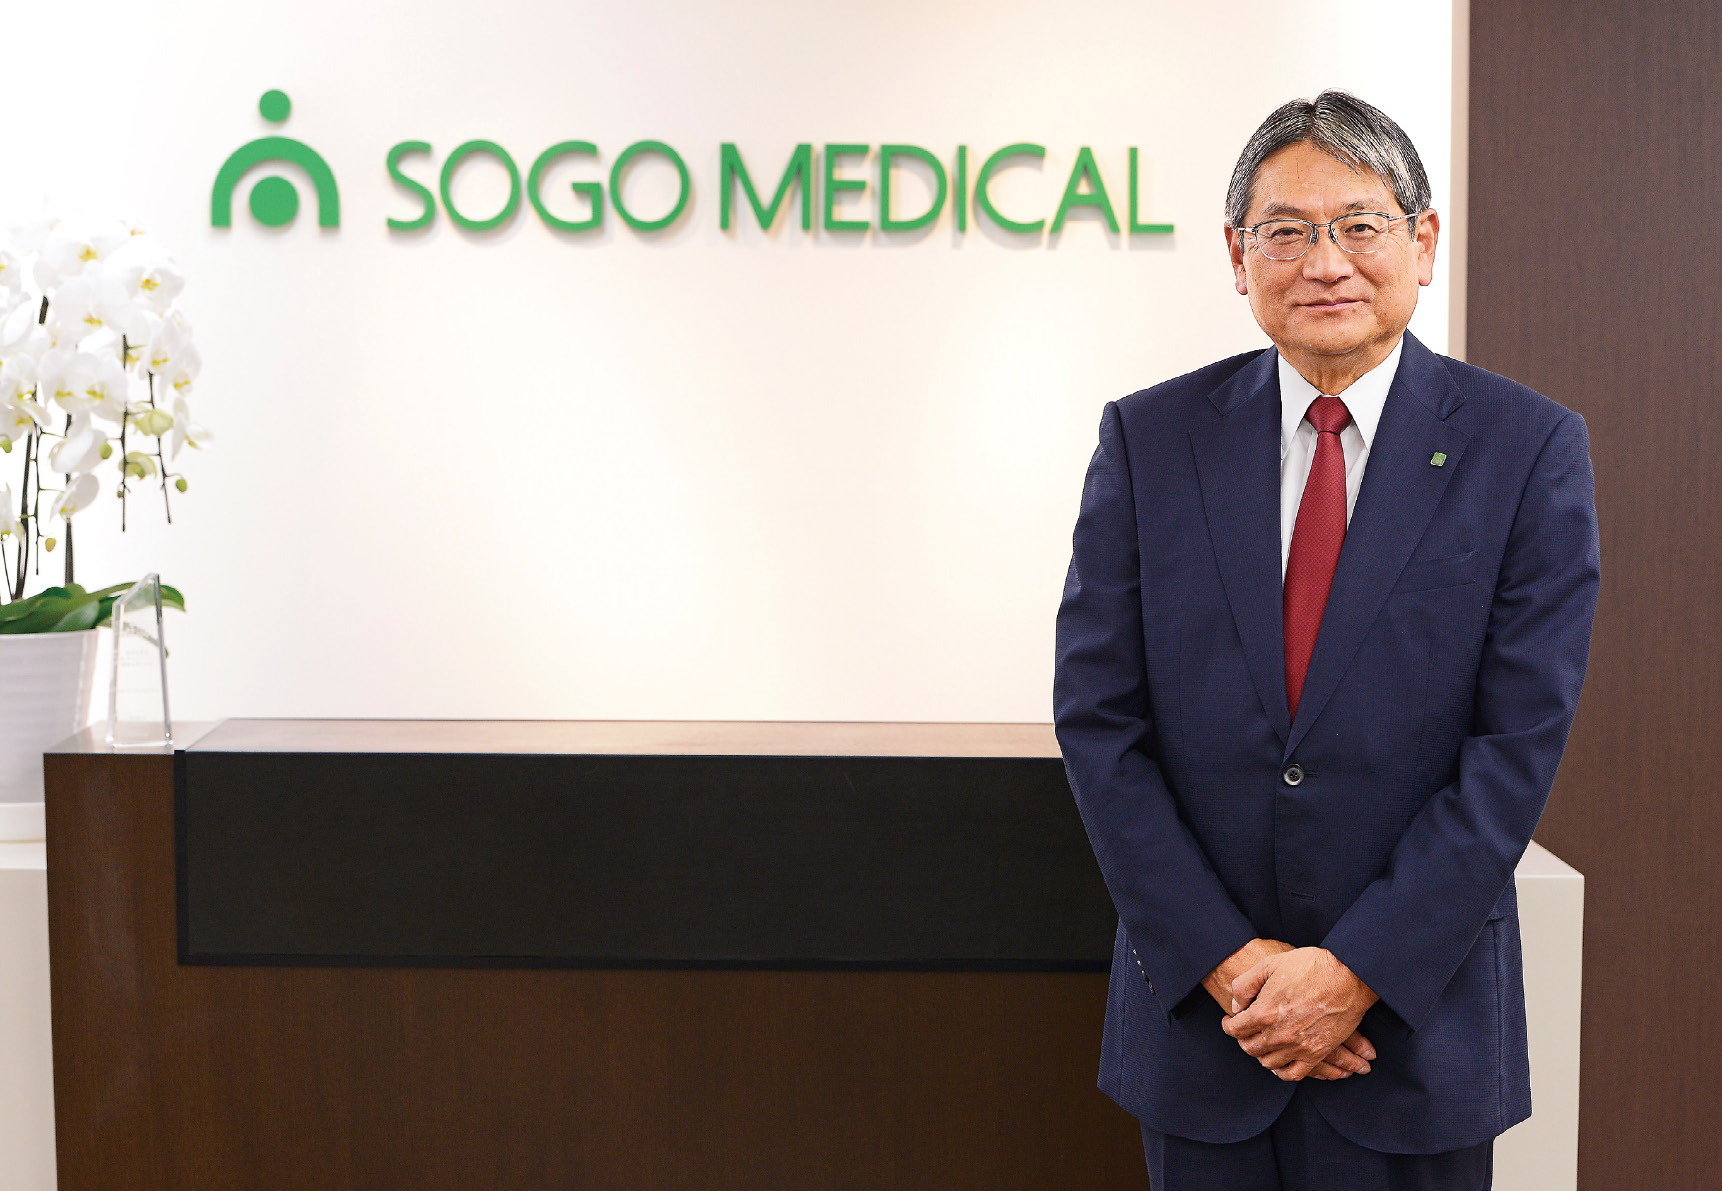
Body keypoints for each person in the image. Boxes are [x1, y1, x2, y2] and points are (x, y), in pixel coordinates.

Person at [1052, 91, 1599, 1190]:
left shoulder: (1526, 447)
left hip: (1413, 1034)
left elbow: (1515, 748)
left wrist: (1357, 971)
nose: (1325, 261)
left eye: (1360, 224)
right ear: (1237, 256)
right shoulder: (1150, 440)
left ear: (1423, 242)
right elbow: (1100, 722)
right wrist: (1226, 962)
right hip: (1208, 1029)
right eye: (1286, 231)